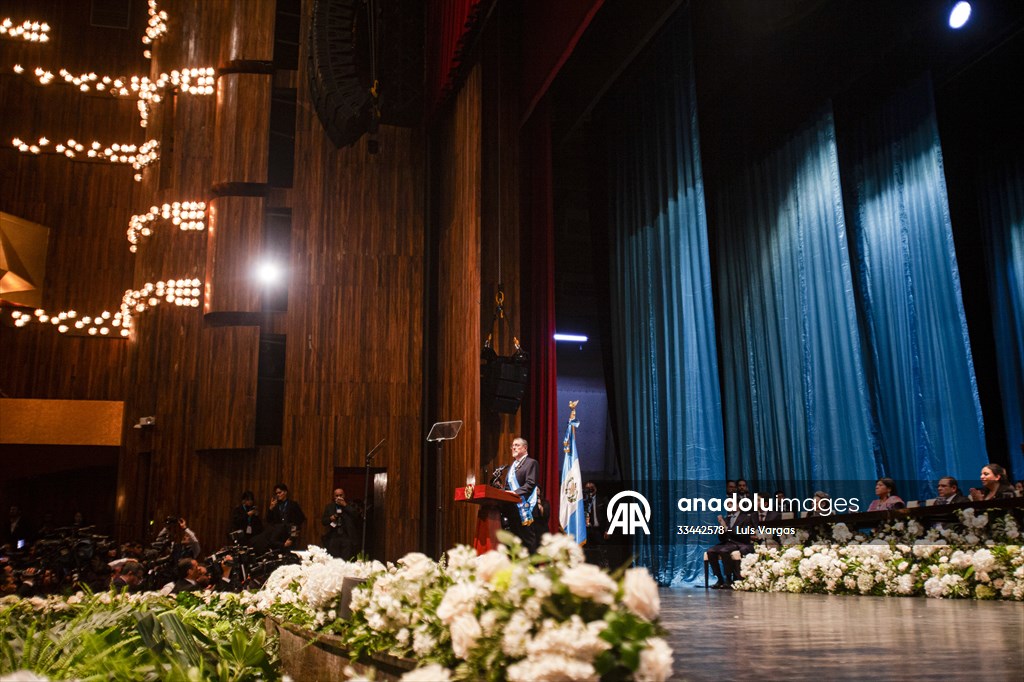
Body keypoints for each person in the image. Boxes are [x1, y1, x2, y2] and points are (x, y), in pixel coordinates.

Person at [504, 437, 539, 553]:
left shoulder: (531, 463)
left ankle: (532, 568)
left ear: (525, 448)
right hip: (513, 510)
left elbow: (530, 483)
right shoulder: (512, 467)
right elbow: (507, 488)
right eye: (512, 445)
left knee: (527, 541)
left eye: (517, 445)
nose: (513, 447)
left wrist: (515, 492)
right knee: (516, 542)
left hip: (526, 509)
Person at [706, 508, 756, 588]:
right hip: (727, 543)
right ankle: (719, 579)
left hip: (739, 542)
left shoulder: (746, 518)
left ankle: (728, 579)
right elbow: (721, 538)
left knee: (724, 550)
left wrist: (726, 527)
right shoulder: (726, 519)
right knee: (710, 551)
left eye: (731, 503)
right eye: (728, 504)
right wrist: (722, 528)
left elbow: (744, 534)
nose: (729, 506)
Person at [321, 488, 357, 560]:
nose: (339, 497)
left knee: (346, 559)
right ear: (334, 497)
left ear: (344, 495)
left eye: (341, 495)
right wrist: (331, 519)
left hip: (346, 536)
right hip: (334, 535)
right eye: (336, 495)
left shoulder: (350, 506)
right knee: (334, 559)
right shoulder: (330, 507)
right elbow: (324, 521)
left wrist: (345, 505)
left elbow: (355, 515)